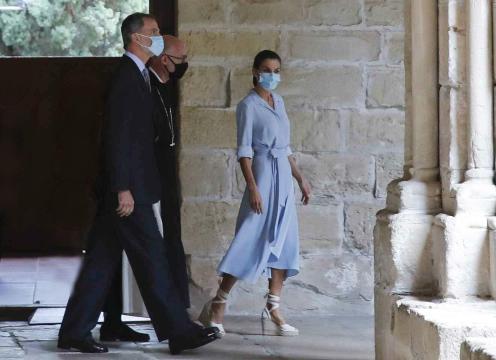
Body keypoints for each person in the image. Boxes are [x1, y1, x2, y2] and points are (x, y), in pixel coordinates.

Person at [57, 13, 218, 355]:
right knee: (153, 258)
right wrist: (122, 188)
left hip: (131, 187)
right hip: (128, 192)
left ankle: (73, 331)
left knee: (100, 263)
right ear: (136, 38)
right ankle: (178, 331)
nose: (159, 37)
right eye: (154, 32)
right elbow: (117, 137)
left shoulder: (139, 75)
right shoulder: (126, 77)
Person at [198, 50, 312, 337]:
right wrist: (253, 187)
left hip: (284, 178)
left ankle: (273, 307)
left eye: (276, 70)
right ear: (254, 71)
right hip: (261, 175)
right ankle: (218, 303)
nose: (271, 75)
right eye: (266, 69)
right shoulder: (247, 105)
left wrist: (300, 179)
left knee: (285, 243)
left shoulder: (280, 102)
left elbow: (285, 147)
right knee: (249, 239)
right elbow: (244, 150)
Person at [146, 35, 190, 307]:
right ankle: (173, 317)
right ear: (164, 59)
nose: (185, 64)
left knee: (172, 238)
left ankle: (178, 311)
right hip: (149, 178)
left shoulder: (167, 86)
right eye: (181, 59)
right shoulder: (144, 87)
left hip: (167, 176)